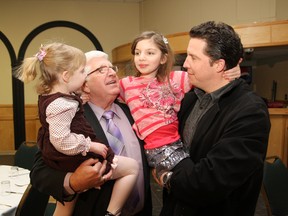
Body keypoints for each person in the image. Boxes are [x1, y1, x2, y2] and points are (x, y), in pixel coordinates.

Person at [158, 21, 271, 216]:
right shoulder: (191, 98)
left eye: (193, 58)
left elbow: (208, 183)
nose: (185, 64)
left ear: (219, 65)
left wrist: (167, 177)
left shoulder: (250, 112)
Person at [16, 42, 139, 216]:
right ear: (84, 85)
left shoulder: (135, 111)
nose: (112, 72)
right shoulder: (67, 111)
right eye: (101, 70)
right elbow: (39, 173)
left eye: (112, 67)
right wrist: (73, 181)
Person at [119, 31, 241, 182]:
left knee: (197, 177)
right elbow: (101, 93)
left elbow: (209, 78)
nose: (142, 57)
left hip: (179, 142)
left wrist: (233, 70)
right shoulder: (126, 84)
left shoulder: (176, 79)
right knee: (190, 178)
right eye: (137, 53)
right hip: (158, 147)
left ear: (163, 58)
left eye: (150, 53)